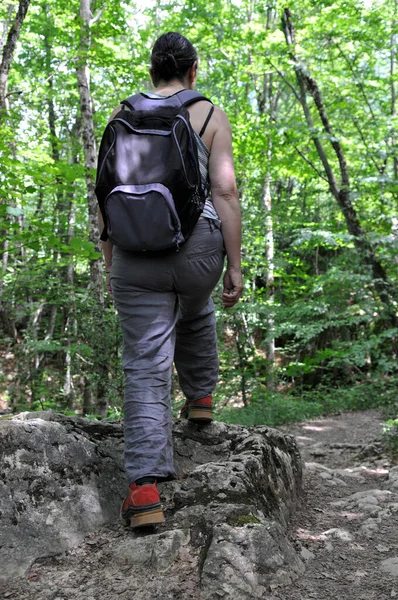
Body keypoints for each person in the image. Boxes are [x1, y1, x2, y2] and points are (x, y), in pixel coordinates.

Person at [97, 32, 243, 528]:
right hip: (198, 248)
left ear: (153, 69)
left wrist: (108, 253)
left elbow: (103, 190)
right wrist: (236, 265)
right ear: (193, 72)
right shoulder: (208, 113)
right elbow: (224, 191)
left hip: (135, 253)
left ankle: (143, 493)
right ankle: (200, 401)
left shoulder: (122, 114)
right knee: (195, 303)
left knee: (144, 363)